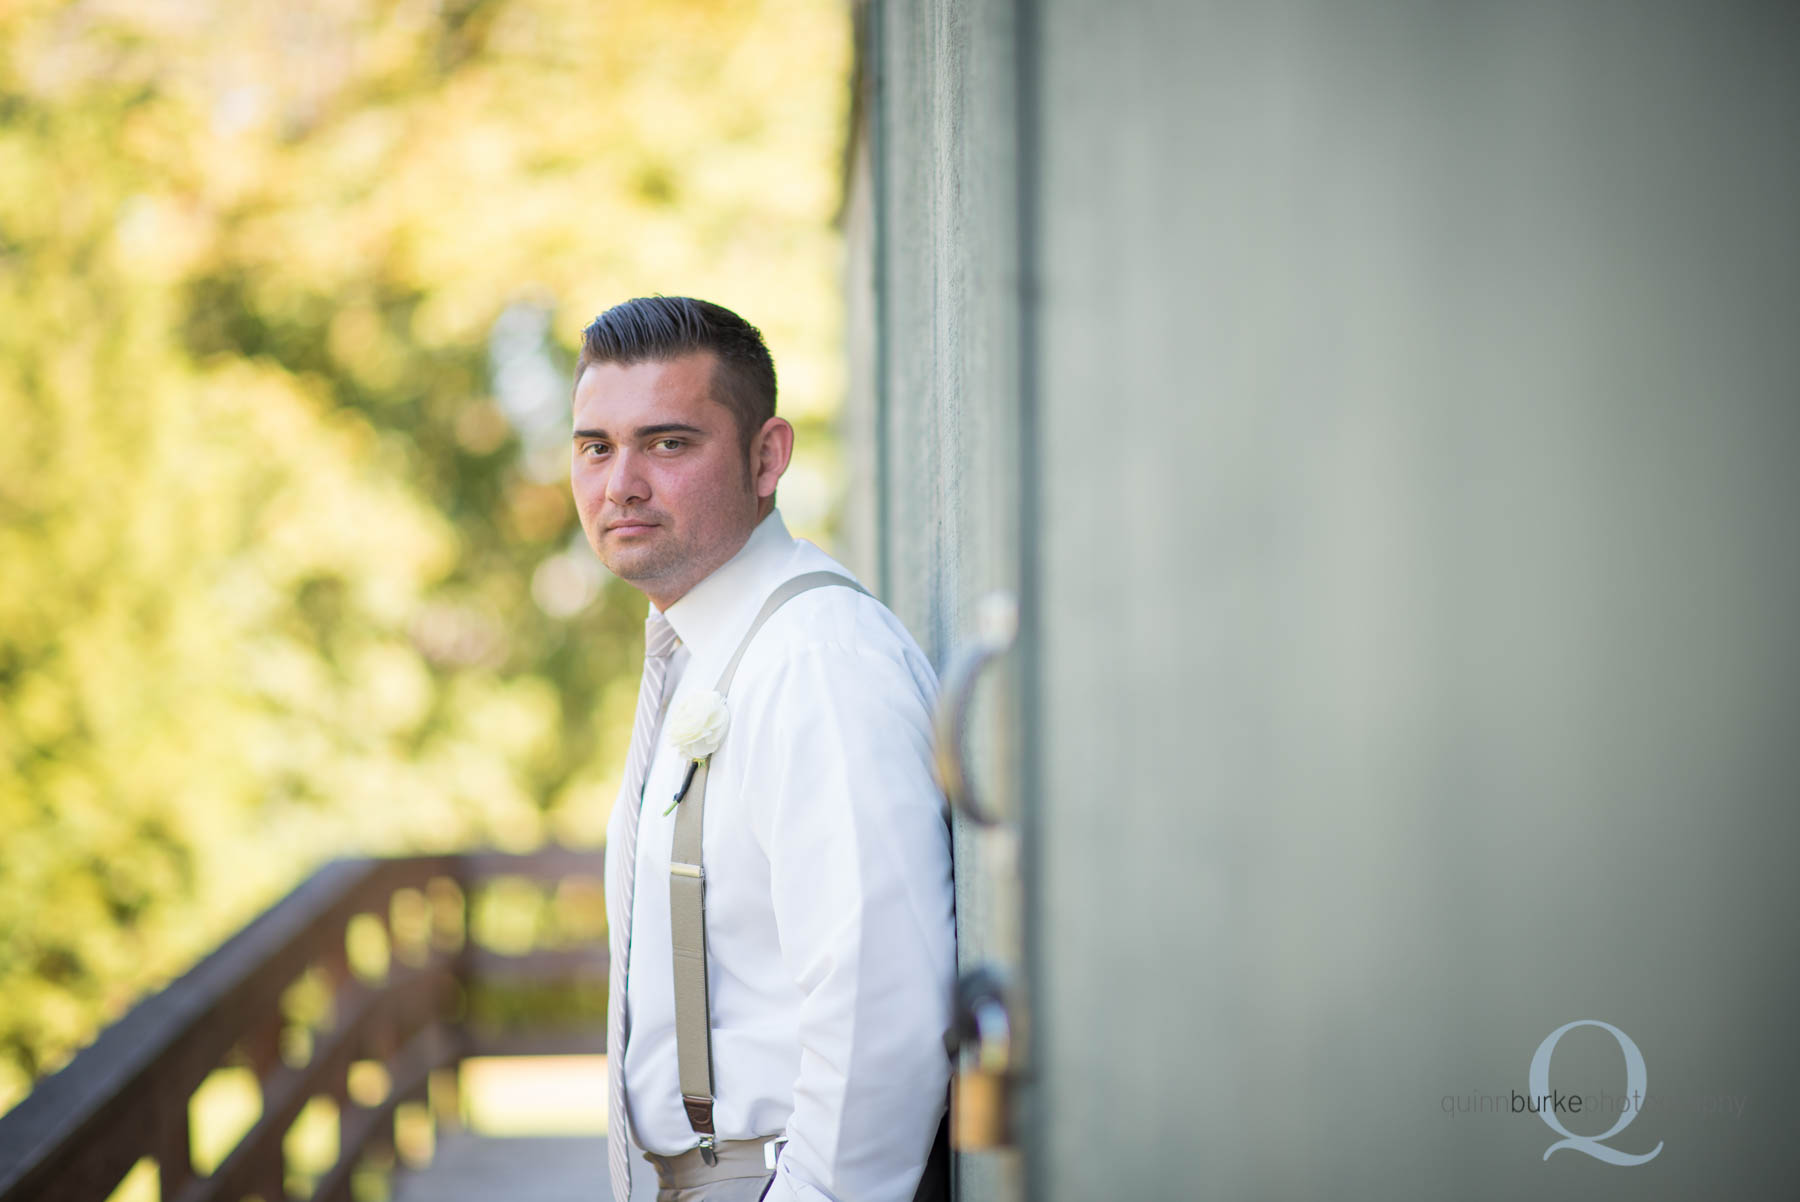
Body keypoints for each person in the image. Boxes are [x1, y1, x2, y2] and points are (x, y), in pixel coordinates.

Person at [571, 296, 955, 1202]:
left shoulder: (816, 657)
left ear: (766, 457)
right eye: (595, 446)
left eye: (668, 443)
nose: (621, 482)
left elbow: (881, 1009)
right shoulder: (709, 648)